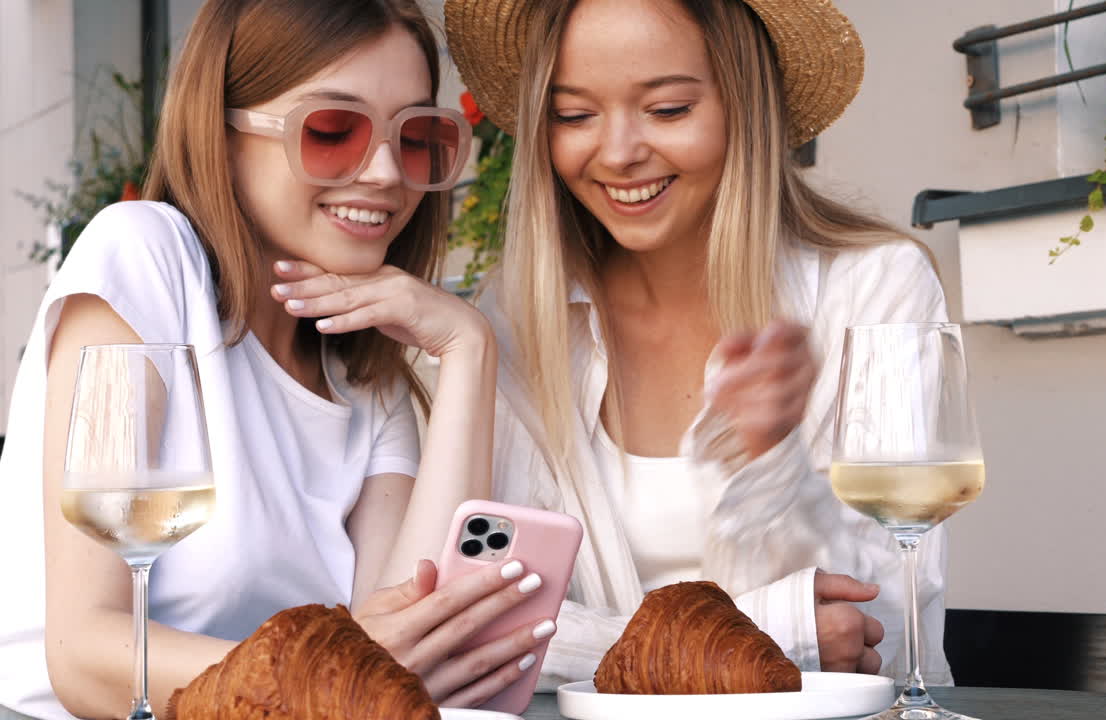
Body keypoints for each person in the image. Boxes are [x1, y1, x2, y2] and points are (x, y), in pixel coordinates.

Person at [0, 1, 555, 717]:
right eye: (332, 131)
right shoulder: (145, 257)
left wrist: (466, 348)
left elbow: (415, 640)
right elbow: (89, 654)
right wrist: (330, 670)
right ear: (223, 134)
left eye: (416, 137)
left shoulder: (366, 380)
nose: (386, 174)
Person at [443, 0, 954, 688]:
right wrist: (782, 633)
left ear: (744, 107)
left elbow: (883, 632)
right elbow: (481, 625)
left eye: (668, 110)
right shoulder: (515, 317)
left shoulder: (873, 287)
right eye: (574, 115)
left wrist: (776, 467)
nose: (619, 153)